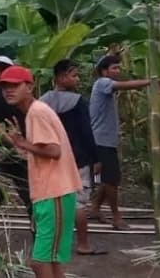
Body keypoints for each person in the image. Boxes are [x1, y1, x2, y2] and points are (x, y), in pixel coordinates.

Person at [0, 65, 82, 278]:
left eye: (15, 85)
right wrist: (21, 146)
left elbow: (54, 151)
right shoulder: (35, 112)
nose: (9, 90)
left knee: (40, 261)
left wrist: (24, 143)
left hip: (54, 192)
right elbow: (44, 152)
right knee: (51, 262)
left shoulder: (37, 112)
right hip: (49, 193)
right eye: (5, 86)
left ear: (29, 86)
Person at [39, 59, 105, 256]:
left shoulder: (41, 102)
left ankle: (52, 244)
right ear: (61, 77)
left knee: (52, 201)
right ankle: (83, 243)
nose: (77, 78)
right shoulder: (77, 102)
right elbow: (86, 132)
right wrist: (96, 158)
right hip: (77, 159)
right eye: (74, 74)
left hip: (49, 158)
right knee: (78, 203)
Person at [88, 55, 150, 230]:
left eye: (118, 68)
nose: (117, 71)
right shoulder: (102, 83)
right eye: (114, 68)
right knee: (111, 181)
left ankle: (95, 208)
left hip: (105, 140)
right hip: (101, 141)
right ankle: (116, 217)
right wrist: (150, 82)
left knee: (107, 179)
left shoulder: (105, 86)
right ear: (104, 71)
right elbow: (124, 86)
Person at [0, 55, 33, 240]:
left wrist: (12, 143)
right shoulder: (22, 95)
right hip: (21, 148)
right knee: (26, 191)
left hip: (5, 151)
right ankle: (39, 231)